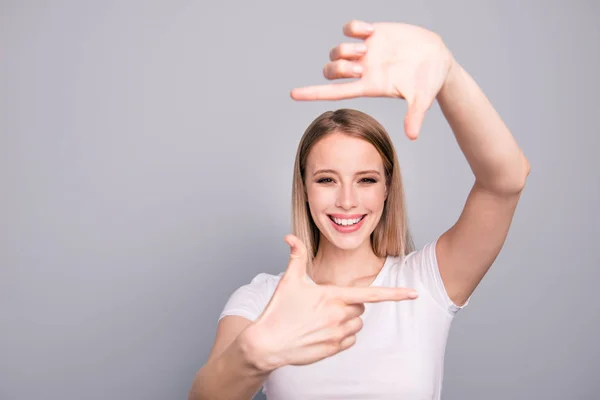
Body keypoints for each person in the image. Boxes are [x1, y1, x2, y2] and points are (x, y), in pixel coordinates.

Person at [188, 20, 530, 400]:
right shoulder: (263, 298)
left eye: (366, 180)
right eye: (327, 180)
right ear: (304, 189)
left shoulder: (427, 283)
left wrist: (449, 75)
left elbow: (506, 182)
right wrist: (254, 354)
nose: (347, 201)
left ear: (387, 189)